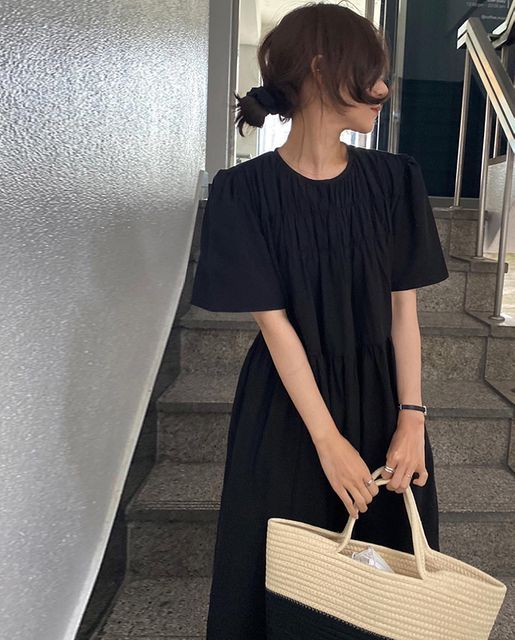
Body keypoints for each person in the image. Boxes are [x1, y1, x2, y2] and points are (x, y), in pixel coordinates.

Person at [190, 3, 449, 638]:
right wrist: (328, 442)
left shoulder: (395, 179)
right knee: (281, 583)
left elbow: (404, 312)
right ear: (321, 68)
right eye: (373, 74)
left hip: (385, 402)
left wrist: (412, 418)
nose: (384, 90)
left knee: (389, 587)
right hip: (288, 409)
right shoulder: (241, 192)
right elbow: (276, 327)